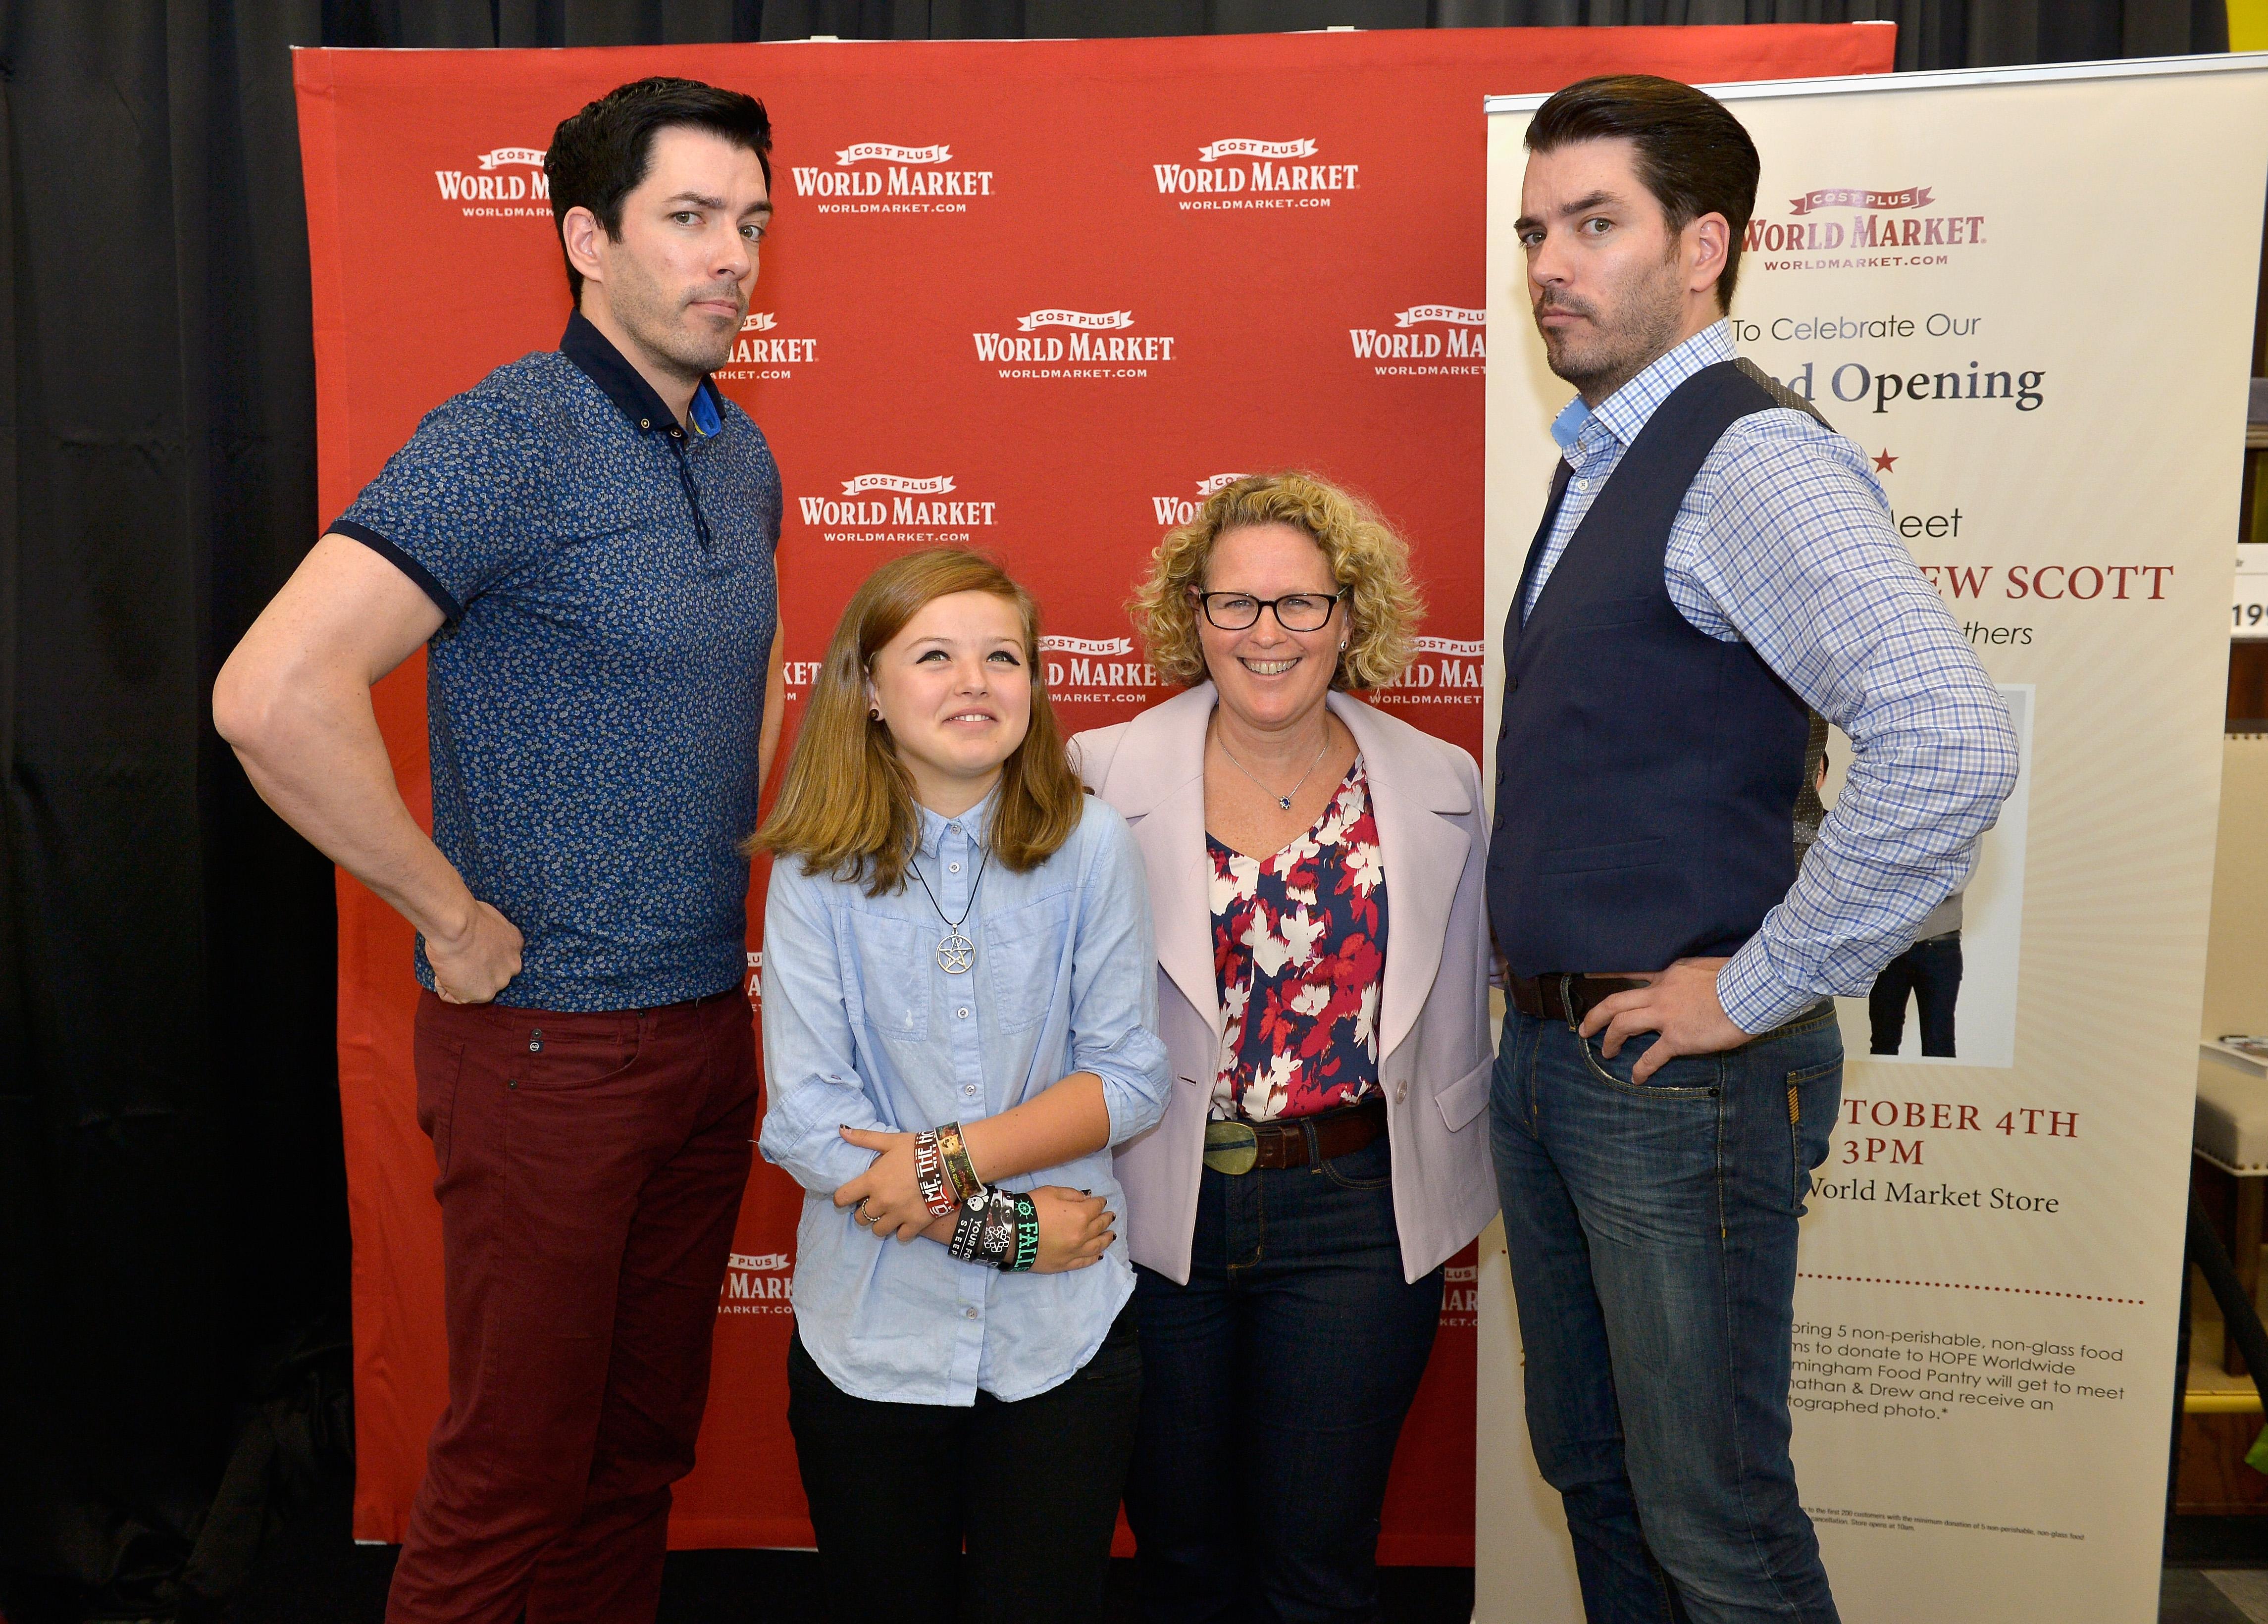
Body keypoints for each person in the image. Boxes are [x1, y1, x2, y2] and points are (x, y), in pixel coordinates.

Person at [212, 78, 783, 1624]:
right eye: (687, 219)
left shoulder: (739, 457)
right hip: (545, 1055)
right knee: (511, 1474)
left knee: (633, 1456)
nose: (728, 256)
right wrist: (442, 909)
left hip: (698, 1036)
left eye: (749, 223)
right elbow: (270, 695)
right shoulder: (508, 436)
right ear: (584, 239)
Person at [1487, 76, 2018, 1624]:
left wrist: (1758, 983)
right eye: (1532, 229)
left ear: (1702, 245)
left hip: (1681, 1081)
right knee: (1595, 1474)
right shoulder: (1603, 452)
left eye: (1593, 224)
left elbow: (1948, 741)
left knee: (1712, 1527)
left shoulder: (1744, 459)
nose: (1546, 266)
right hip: (1565, 1063)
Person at [1074, 473, 1497, 1623]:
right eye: (1235, 604)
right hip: (1154, 1201)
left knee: (1320, 1566)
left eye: (1301, 604)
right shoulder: (1093, 778)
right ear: (1190, 616)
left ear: (1351, 616)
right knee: (1181, 1558)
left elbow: (1471, 994)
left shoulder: (1439, 783)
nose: (1268, 634)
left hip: (1358, 1211)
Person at [753, 549, 1171, 1622]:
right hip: (875, 1332)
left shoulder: (1089, 843)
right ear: (870, 691)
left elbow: (1128, 1075)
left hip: (1062, 1337)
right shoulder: (813, 866)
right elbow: (805, 1118)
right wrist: (1002, 1230)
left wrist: (944, 1165)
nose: (974, 681)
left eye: (1003, 656)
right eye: (933, 655)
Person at [1867, 890, 1965, 1057]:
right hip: (1891, 945)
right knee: (1883, 1040)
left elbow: (1955, 885)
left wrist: (1903, 873)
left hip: (1940, 946)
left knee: (1939, 1042)